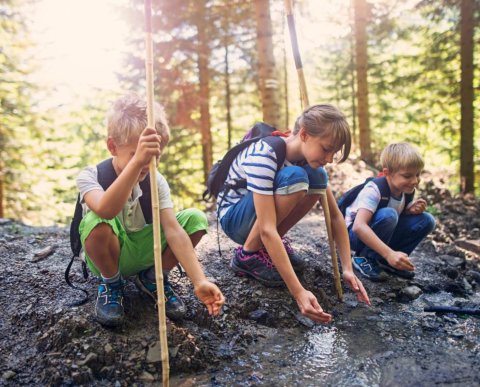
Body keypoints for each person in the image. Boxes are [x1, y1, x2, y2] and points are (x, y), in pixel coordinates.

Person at [76, 94, 224, 327]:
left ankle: (153, 277)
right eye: (136, 154)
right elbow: (105, 210)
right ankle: (111, 284)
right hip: (108, 254)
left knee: (194, 219)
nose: (147, 164)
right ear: (112, 146)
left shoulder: (156, 181)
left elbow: (173, 231)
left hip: (143, 252)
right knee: (96, 223)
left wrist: (199, 281)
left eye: (154, 157)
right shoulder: (91, 175)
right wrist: (136, 164)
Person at [218, 104, 370, 324]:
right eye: (326, 149)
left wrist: (347, 268)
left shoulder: (309, 160)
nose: (329, 158)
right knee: (296, 177)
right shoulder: (265, 154)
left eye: (333, 153)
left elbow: (335, 217)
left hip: (261, 220)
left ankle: (268, 250)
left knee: (316, 176)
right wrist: (299, 292)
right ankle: (248, 254)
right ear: (304, 134)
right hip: (234, 218)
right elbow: (267, 229)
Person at [346, 142, 436, 282]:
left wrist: (408, 211)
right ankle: (363, 257)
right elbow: (359, 226)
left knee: (426, 220)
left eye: (417, 174)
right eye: (407, 176)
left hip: (379, 231)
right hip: (354, 235)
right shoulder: (374, 190)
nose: (415, 181)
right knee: (389, 215)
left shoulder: (406, 190)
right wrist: (388, 253)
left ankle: (393, 261)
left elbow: (395, 214)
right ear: (387, 173)